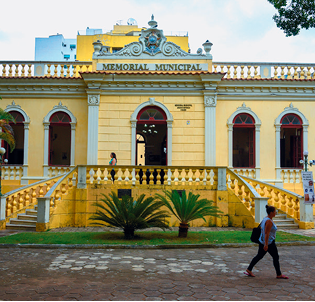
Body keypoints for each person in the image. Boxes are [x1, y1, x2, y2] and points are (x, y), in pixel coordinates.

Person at [244, 205, 289, 279]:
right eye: (274, 211)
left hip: (263, 241)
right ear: (271, 212)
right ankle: (279, 274)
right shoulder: (268, 221)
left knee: (259, 256)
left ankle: (249, 269)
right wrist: (266, 244)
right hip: (269, 243)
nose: (275, 213)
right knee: (275, 257)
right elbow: (266, 233)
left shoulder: (266, 218)